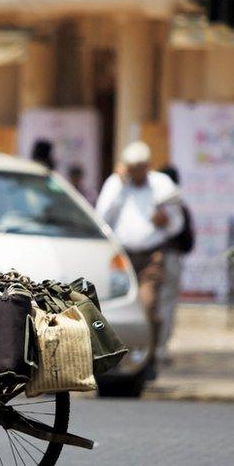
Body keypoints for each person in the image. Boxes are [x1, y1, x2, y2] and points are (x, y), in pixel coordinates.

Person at [95, 141, 183, 372]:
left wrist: (166, 222)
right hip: (122, 257)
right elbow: (101, 216)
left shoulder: (161, 185)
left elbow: (177, 224)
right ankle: (115, 357)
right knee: (115, 308)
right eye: (131, 167)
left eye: (140, 167)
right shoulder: (116, 184)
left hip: (151, 256)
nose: (136, 172)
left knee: (147, 305)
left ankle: (148, 358)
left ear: (148, 165)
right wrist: (120, 186)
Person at [156, 165, 195, 365]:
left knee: (156, 304)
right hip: (169, 257)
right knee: (165, 305)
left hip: (155, 257)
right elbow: (187, 240)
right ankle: (159, 349)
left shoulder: (154, 200)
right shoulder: (178, 204)